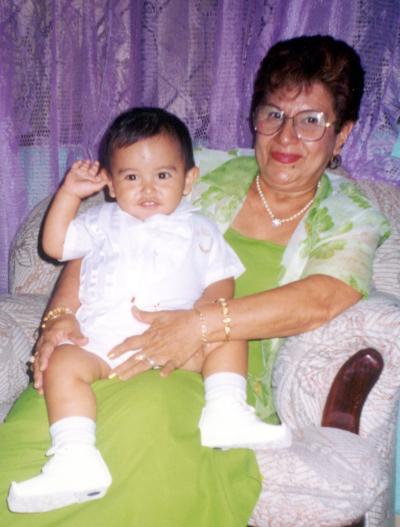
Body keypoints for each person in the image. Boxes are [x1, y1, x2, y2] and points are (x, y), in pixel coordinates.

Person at [0, 35, 390, 527]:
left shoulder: (350, 216)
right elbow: (105, 243)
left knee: (147, 439)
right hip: (104, 343)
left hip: (209, 376)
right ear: (255, 117)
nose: (287, 137)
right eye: (274, 114)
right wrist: (58, 317)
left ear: (343, 134)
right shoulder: (197, 169)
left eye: (312, 121)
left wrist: (198, 327)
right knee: (23, 461)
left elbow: (320, 300)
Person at [8, 108, 290, 513]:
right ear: (109, 184)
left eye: (163, 175)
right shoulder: (101, 222)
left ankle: (225, 408)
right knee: (61, 365)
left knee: (230, 328)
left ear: (189, 179)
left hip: (177, 343)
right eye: (131, 177)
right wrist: (69, 194)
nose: (147, 189)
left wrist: (201, 322)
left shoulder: (201, 228)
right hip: (99, 344)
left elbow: (221, 282)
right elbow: (54, 246)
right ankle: (74, 457)